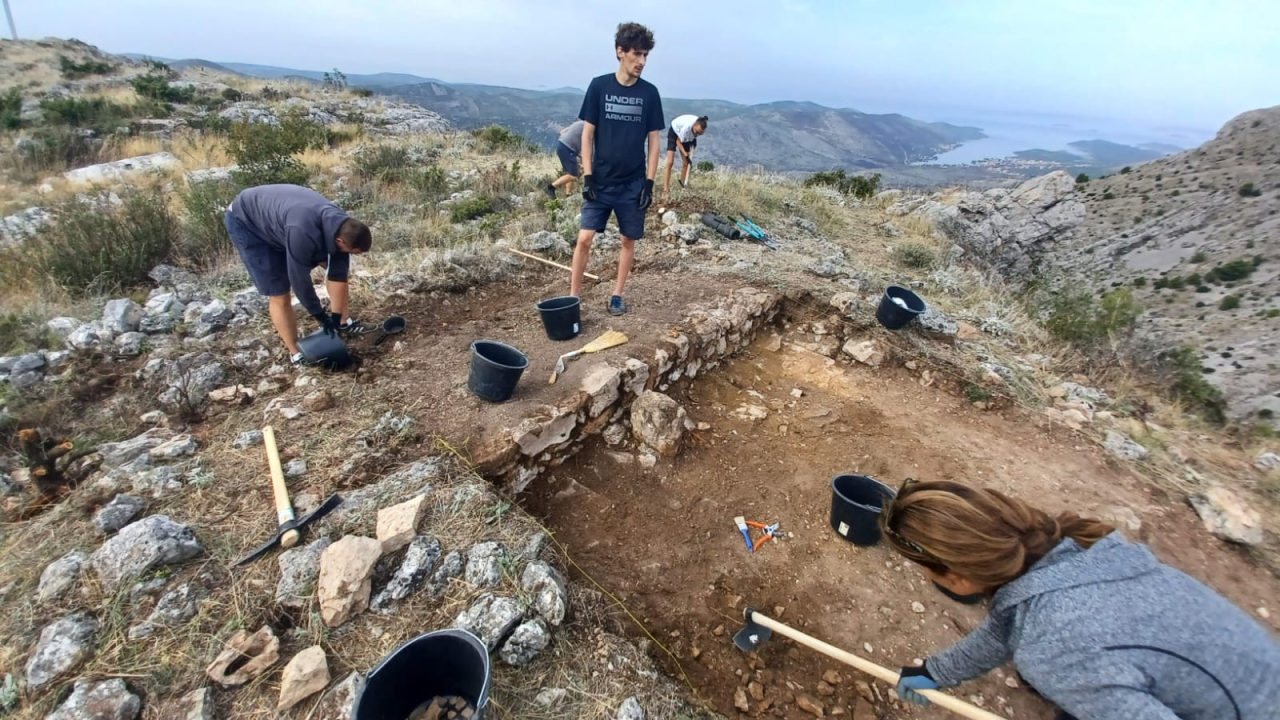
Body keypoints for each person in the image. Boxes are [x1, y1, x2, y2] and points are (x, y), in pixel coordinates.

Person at [879, 479, 1280, 720]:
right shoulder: (1074, 553)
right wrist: (934, 672)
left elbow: (1053, 644)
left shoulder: (1058, 646)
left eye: (926, 570)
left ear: (959, 577)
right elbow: (1008, 625)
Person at [570, 21, 665, 316]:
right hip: (601, 180)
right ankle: (573, 296)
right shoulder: (599, 86)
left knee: (628, 239)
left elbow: (653, 142)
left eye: (646, 55)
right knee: (584, 238)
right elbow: (587, 135)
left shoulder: (649, 94)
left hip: (633, 183)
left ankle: (617, 294)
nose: (642, 61)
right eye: (637, 54)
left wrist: (649, 183)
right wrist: (587, 175)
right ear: (620, 52)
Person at [225, 184, 373, 364]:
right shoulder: (302, 232)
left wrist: (335, 318)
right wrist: (320, 316)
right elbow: (300, 282)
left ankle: (343, 322)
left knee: (334, 263)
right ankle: (297, 353)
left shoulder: (343, 224)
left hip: (282, 219)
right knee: (279, 291)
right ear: (339, 240)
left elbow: (338, 274)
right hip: (248, 222)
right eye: (352, 252)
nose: (351, 256)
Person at [662, 114, 707, 198]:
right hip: (675, 132)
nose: (697, 134)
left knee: (686, 164)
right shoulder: (686, 128)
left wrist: (694, 140)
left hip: (687, 137)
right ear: (694, 125)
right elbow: (678, 142)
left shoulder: (697, 127)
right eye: (697, 132)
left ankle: (683, 185)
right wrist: (686, 155)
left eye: (700, 134)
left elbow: (693, 136)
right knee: (670, 162)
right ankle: (665, 190)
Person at [546, 119, 585, 199]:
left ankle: (568, 194)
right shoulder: (589, 128)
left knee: (570, 172)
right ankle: (551, 187)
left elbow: (563, 131)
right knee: (573, 175)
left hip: (561, 145)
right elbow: (586, 149)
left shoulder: (580, 123)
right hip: (568, 148)